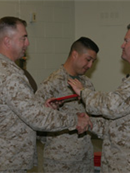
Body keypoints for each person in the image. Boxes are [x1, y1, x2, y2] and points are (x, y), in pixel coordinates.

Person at [0, 16, 91, 173]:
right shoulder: (7, 74)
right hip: (5, 162)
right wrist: (74, 120)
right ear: (7, 41)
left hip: (4, 158)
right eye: (23, 38)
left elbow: (18, 110)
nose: (27, 43)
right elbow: (37, 118)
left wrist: (43, 107)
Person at [67, 24, 130, 173]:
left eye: (126, 41)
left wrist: (84, 93)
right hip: (123, 164)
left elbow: (112, 106)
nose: (122, 45)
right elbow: (117, 125)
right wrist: (89, 122)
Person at [35, 37, 99, 173]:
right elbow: (37, 124)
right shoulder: (52, 84)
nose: (90, 65)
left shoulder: (86, 84)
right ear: (75, 54)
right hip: (61, 161)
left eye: (93, 61)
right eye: (88, 59)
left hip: (85, 157)